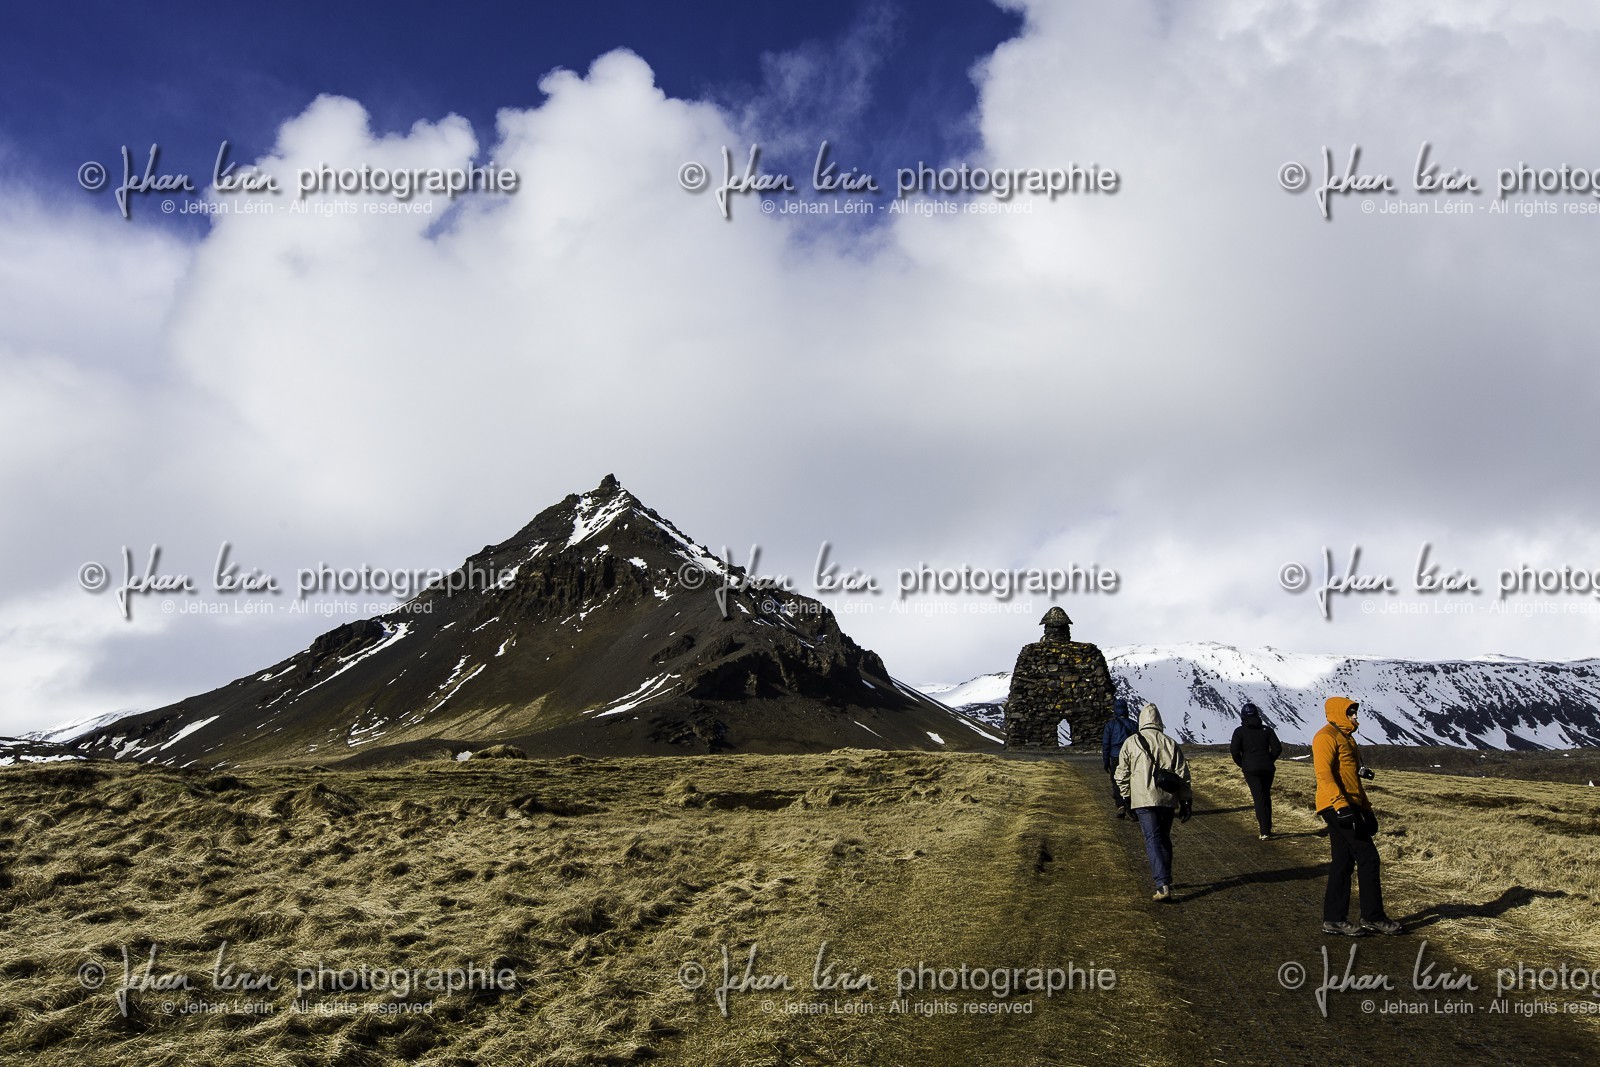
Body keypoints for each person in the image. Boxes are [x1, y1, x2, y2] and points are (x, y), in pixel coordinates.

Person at [1313, 697, 1402, 937]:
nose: (1355, 717)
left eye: (1354, 712)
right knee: (1369, 857)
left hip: (1349, 805)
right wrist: (1341, 806)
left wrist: (1367, 810)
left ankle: (1334, 919)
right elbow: (1324, 775)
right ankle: (1373, 917)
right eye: (1350, 713)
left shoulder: (1347, 738)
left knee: (1342, 861)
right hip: (1336, 805)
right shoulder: (1325, 737)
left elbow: (1353, 781)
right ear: (1338, 713)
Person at [1115, 702, 1192, 902]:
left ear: (1141, 720)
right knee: (1164, 838)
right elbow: (1183, 774)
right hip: (1167, 799)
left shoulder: (1131, 742)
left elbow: (1121, 773)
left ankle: (1161, 883)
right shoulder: (1170, 743)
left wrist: (1125, 796)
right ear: (1159, 720)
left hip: (1142, 800)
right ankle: (1165, 876)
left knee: (1152, 839)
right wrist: (1185, 801)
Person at [1229, 702, 1282, 839]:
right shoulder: (1267, 730)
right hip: (1267, 769)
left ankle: (1264, 831)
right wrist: (1269, 760)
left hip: (1250, 769)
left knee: (1259, 798)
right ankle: (1267, 828)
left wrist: (1243, 764)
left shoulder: (1239, 731)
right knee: (1266, 796)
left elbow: (1234, 751)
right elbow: (1277, 748)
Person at [1101, 698, 1138, 818]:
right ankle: (1131, 805)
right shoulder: (1133, 724)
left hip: (1115, 756)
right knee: (1131, 779)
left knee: (1116, 780)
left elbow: (1106, 744)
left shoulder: (1110, 725)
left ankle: (1121, 805)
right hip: (1131, 756)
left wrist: (1106, 761)